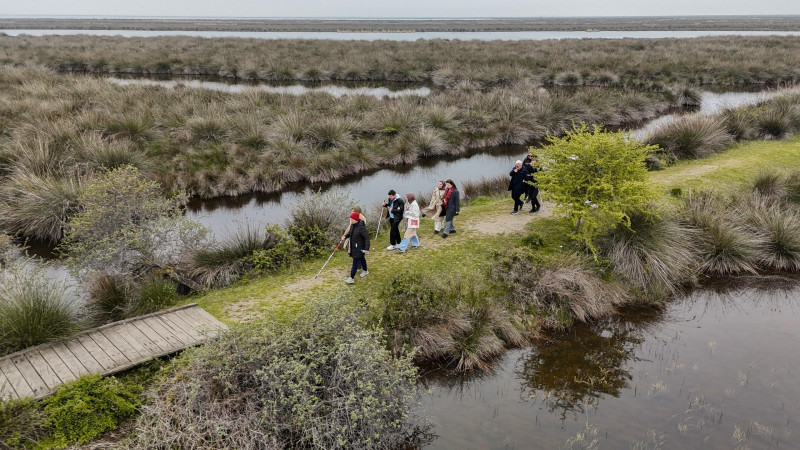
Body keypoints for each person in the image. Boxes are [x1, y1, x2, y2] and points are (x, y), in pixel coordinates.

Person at [344, 211, 369, 284]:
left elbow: (366, 238)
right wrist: (345, 236)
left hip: (360, 248)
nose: (351, 220)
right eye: (350, 219)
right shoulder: (352, 225)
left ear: (356, 219)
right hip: (354, 246)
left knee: (355, 261)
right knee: (362, 258)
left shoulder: (361, 227)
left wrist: (366, 249)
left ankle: (351, 278)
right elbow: (350, 234)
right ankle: (365, 270)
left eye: (352, 219)